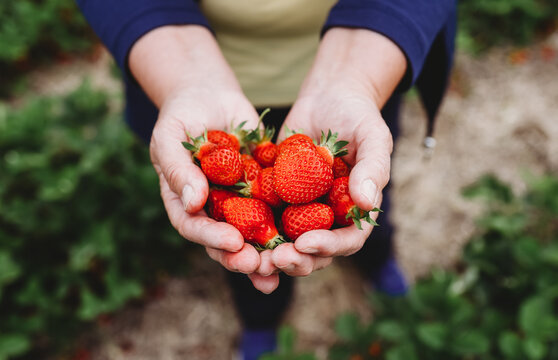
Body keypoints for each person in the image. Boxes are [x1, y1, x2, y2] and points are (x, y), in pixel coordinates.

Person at [77, 1, 457, 358]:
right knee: (243, 248)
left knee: (366, 190)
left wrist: (359, 75)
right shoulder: (243, 167)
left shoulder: (322, 158)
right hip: (190, 70)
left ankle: (377, 259)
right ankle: (261, 319)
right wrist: (182, 76)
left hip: (368, 63)